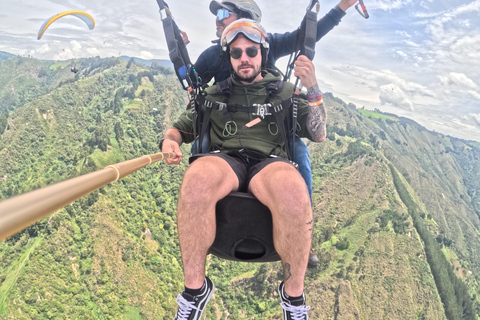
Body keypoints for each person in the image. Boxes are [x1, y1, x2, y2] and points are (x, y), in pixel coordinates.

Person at [160, 19, 327, 320]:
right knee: (196, 179)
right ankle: (194, 292)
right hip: (227, 160)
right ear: (229, 59)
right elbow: (178, 130)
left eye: (251, 51)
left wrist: (312, 86)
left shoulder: (285, 93)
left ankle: (294, 298)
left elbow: (318, 133)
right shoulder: (214, 95)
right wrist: (169, 142)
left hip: (270, 162)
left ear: (262, 53)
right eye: (236, 54)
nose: (244, 58)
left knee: (293, 189)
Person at [189, 0, 355, 268]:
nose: (217, 19)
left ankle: (303, 231)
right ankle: (200, 222)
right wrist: (182, 53)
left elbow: (305, 36)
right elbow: (193, 79)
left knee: (298, 152)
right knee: (199, 148)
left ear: (246, 19)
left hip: (270, 121)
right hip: (229, 123)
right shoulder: (213, 55)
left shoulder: (270, 45)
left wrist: (341, 9)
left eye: (223, 13)